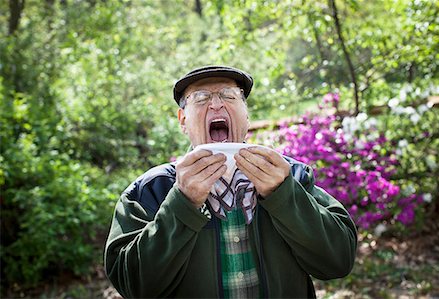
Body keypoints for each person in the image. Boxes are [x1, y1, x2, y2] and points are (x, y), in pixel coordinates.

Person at [104, 65, 357, 298]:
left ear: (246, 115)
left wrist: (284, 195)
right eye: (201, 98)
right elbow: (133, 285)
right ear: (183, 120)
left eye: (229, 95)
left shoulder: (290, 175)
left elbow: (338, 260)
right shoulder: (150, 190)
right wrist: (182, 203)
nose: (216, 104)